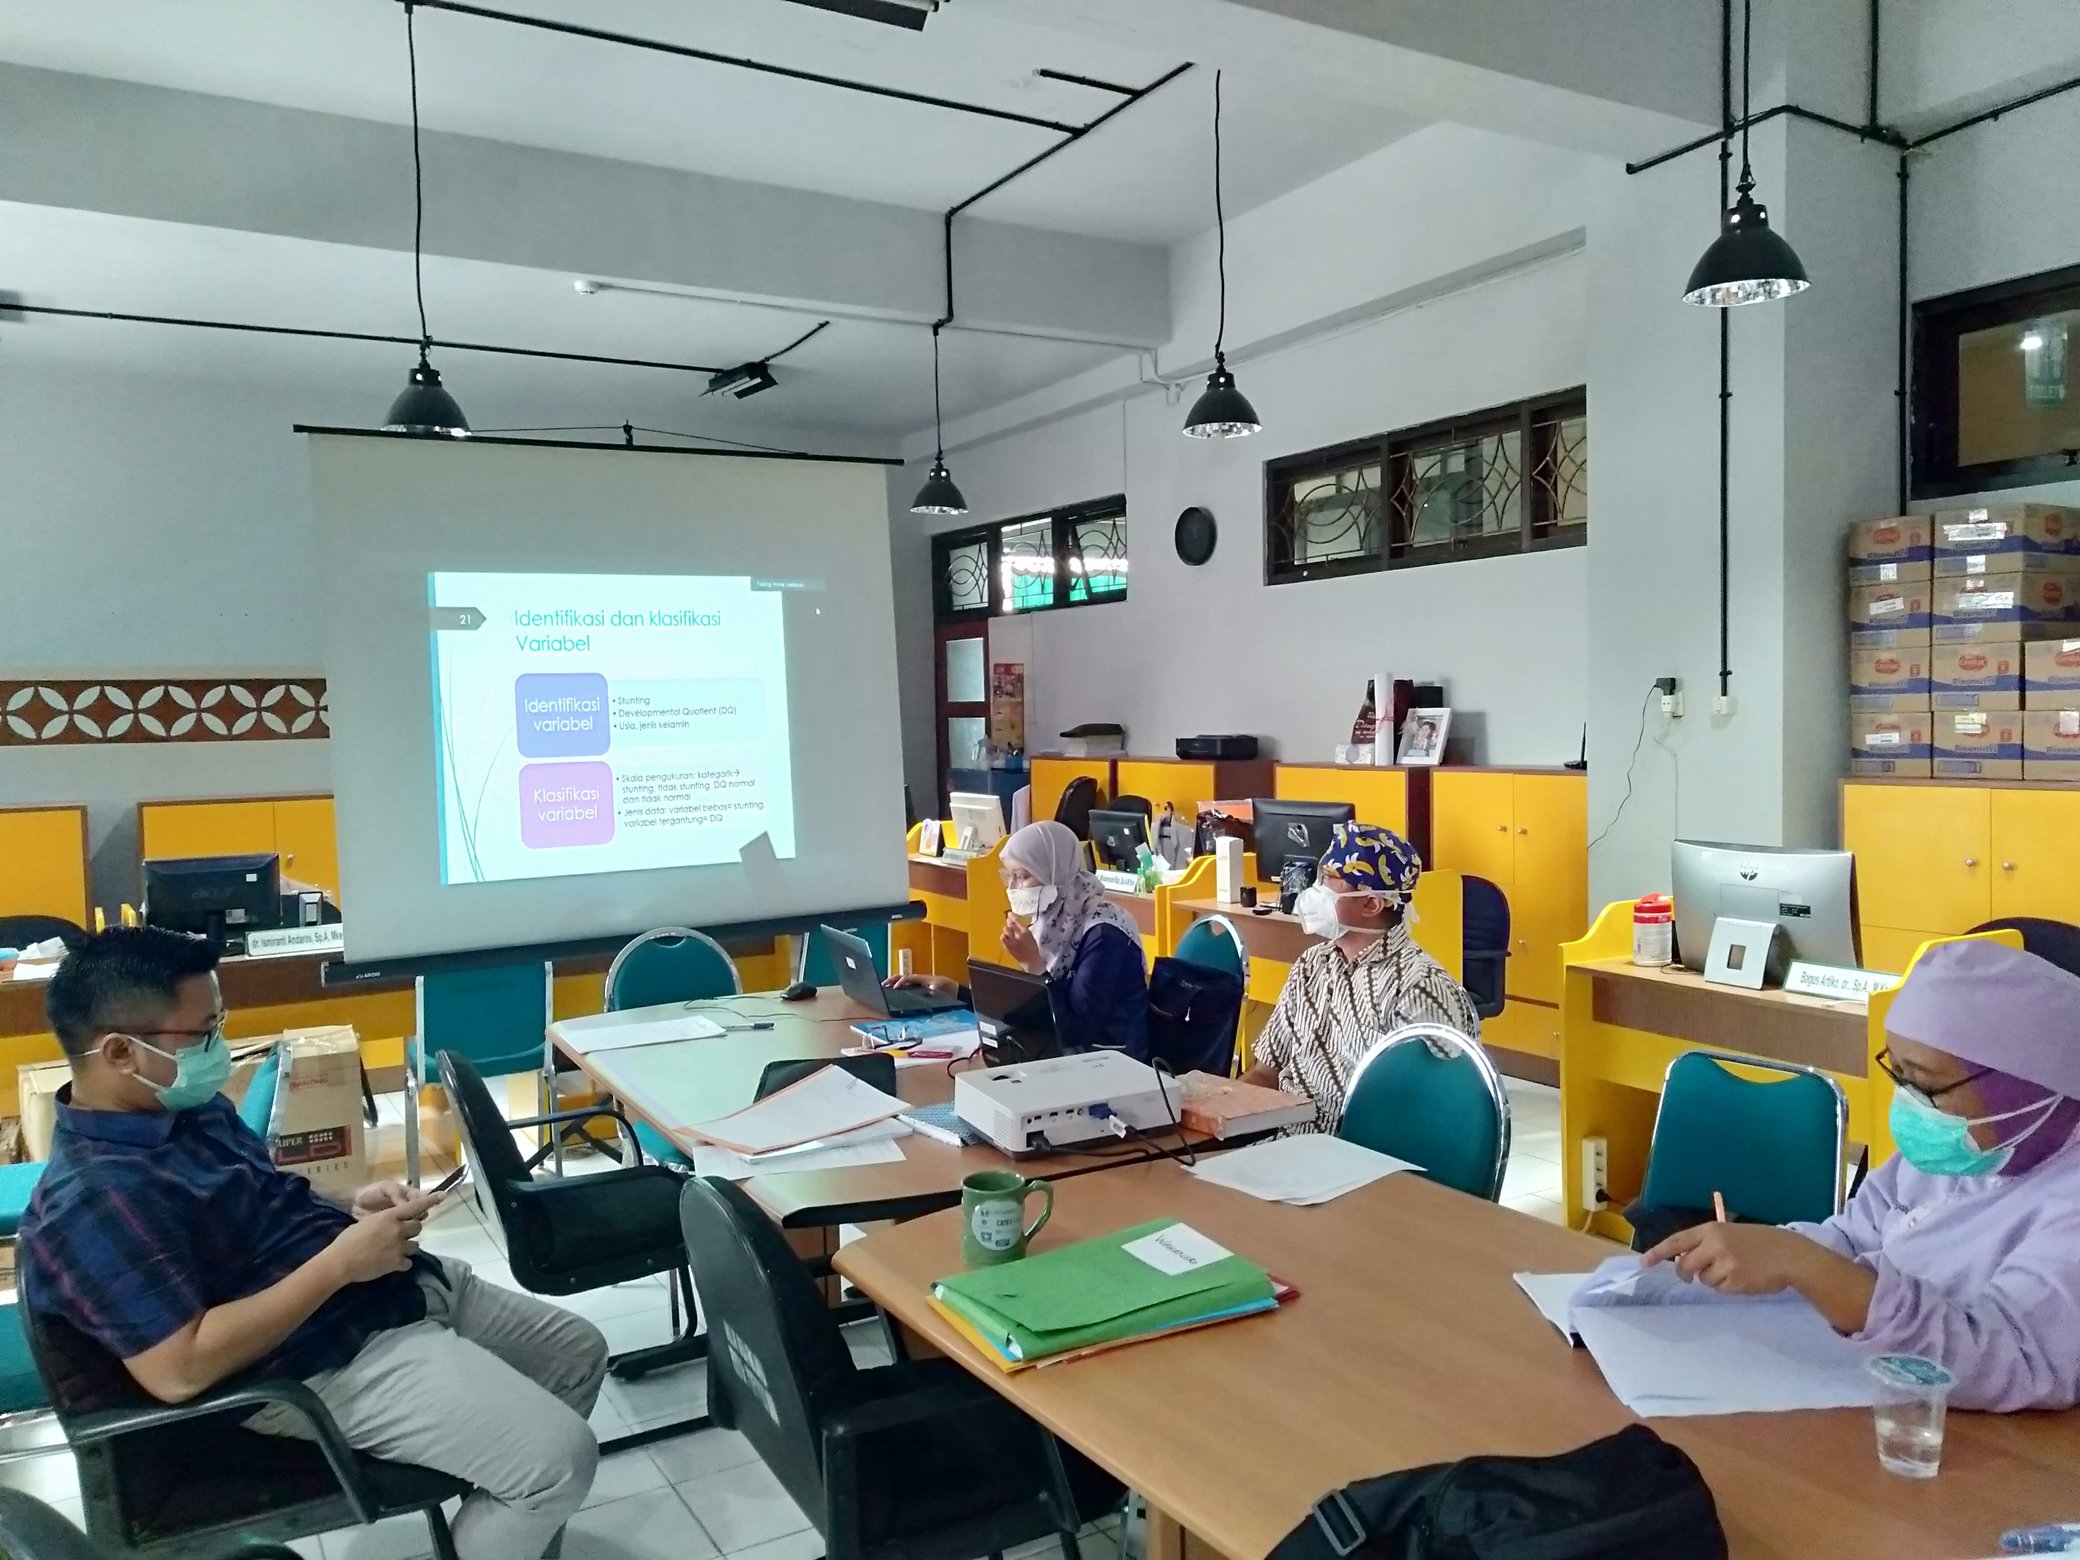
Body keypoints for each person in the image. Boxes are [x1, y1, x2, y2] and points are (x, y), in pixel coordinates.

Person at [17, 928, 609, 1560]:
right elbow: (178, 1370)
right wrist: (339, 1265)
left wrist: (350, 1203)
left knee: (576, 1354)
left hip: (383, 1292)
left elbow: (262, 1191)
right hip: (317, 1361)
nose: (219, 1049)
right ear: (119, 1051)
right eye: (204, 1033)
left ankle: (506, 1507)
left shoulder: (181, 1110)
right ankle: (521, 1492)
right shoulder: (97, 1198)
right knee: (558, 1462)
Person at [1643, 939, 2080, 1412]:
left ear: (2026, 1087)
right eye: (1900, 1075)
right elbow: (1852, 1237)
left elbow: (2014, 1363)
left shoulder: (2065, 1202)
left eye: (1926, 1083)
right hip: (1872, 1391)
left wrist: (1807, 1266)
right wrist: (1757, 1256)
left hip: (1963, 1438)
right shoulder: (1961, 1152)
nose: (1910, 1102)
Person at [1240, 822, 1480, 1133]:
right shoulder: (1312, 965)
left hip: (1361, 1150)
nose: (1314, 891)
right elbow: (1266, 1073)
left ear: (1371, 903)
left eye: (1329, 881)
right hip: (1287, 1138)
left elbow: (1434, 1113)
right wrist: (1217, 1110)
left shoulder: (1418, 986)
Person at [891, 818, 1149, 1055]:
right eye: (1009, 876)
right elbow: (1030, 1013)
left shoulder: (1104, 934)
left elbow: (1075, 1029)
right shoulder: (1053, 922)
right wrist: (955, 992)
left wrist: (1034, 965)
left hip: (1111, 1063)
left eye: (1023, 876)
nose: (1013, 887)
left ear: (1054, 872)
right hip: (1063, 1056)